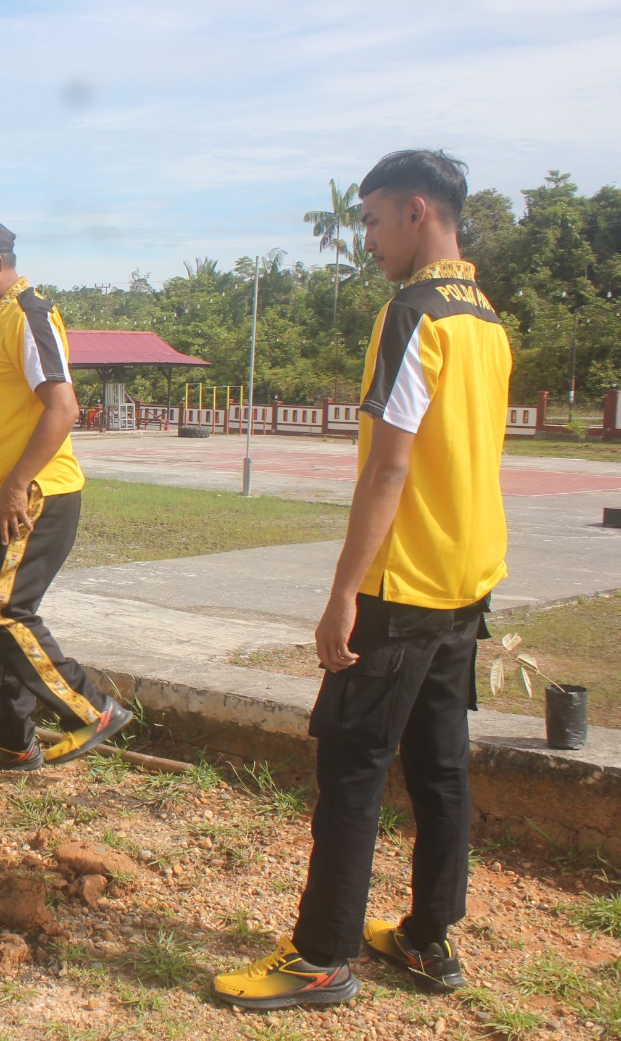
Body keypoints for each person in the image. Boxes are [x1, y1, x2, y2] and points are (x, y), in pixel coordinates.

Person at [212, 151, 510, 1010]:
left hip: (404, 583)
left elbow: (389, 468)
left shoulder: (414, 314)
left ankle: (320, 957)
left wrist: (344, 591)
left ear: (418, 211)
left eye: (374, 221)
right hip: (467, 579)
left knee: (353, 764)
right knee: (441, 763)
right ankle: (426, 937)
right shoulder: (485, 317)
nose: (368, 239)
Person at [0, 218, 132, 771]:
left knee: (3, 613)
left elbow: (61, 407)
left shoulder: (28, 313)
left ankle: (91, 710)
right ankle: (15, 740)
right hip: (6, 495)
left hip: (37, 494)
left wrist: (18, 483)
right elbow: (8, 404)